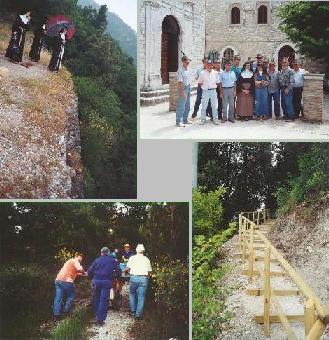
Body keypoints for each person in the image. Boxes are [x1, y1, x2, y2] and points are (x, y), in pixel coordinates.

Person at [88, 247, 120, 326]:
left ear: (101, 253)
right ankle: (100, 320)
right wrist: (116, 275)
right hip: (106, 281)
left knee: (96, 298)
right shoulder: (113, 260)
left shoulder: (97, 260)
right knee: (103, 300)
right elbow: (119, 271)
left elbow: (90, 271)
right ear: (109, 253)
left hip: (96, 281)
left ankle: (96, 315)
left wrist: (92, 277)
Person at [53, 252, 85, 321]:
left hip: (58, 280)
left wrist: (81, 274)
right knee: (71, 295)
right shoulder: (75, 260)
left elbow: (75, 272)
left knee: (58, 298)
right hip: (66, 281)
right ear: (77, 256)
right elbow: (80, 269)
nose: (80, 261)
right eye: (80, 259)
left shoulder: (69, 261)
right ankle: (66, 311)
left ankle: (56, 315)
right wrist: (84, 272)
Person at [125, 244, 152, 320]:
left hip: (134, 278)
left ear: (136, 250)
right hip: (143, 278)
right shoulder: (147, 259)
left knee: (132, 293)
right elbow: (149, 272)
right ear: (143, 251)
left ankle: (133, 311)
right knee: (141, 297)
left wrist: (125, 271)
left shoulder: (132, 258)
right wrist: (147, 278)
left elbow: (127, 269)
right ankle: (138, 315)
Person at [198, 60, 220, 125]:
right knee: (204, 106)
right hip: (205, 91)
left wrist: (213, 86)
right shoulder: (202, 73)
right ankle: (203, 120)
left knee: (214, 106)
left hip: (213, 91)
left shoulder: (215, 73)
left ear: (212, 65)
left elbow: (218, 82)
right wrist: (205, 87)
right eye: (208, 65)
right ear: (206, 65)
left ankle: (215, 120)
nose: (209, 66)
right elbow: (200, 83)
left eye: (210, 65)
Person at [176, 56, 192, 127]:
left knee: (187, 105)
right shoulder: (180, 70)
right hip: (183, 88)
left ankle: (185, 119)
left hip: (188, 87)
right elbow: (179, 82)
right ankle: (178, 121)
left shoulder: (187, 69)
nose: (188, 63)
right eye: (186, 62)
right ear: (183, 62)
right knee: (181, 105)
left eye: (188, 62)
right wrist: (182, 92)